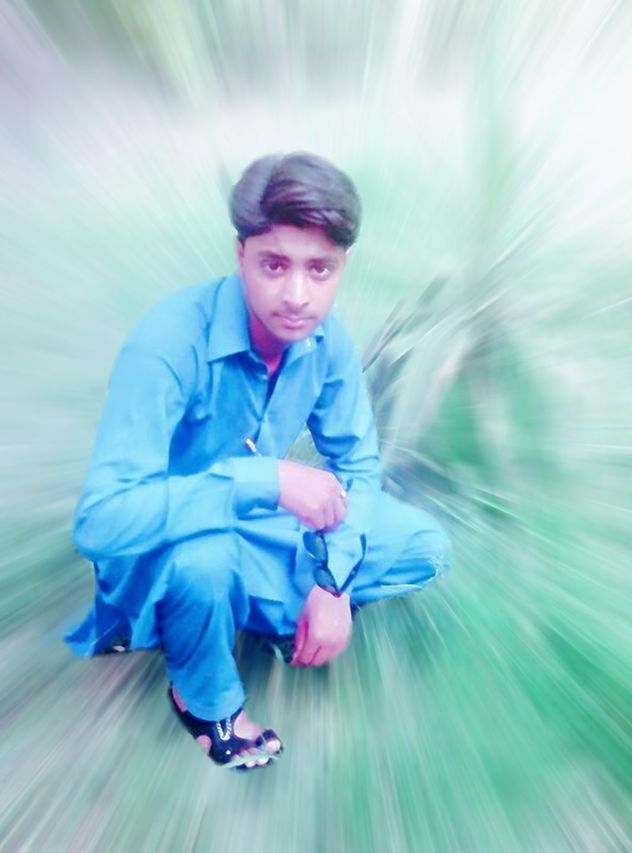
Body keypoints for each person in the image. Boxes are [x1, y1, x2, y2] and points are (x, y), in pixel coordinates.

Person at [66, 152, 452, 770]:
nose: (297, 296)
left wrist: (332, 584)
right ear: (240, 253)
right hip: (165, 537)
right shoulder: (168, 342)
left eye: (319, 269)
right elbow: (101, 522)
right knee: (203, 563)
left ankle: (262, 614)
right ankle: (202, 699)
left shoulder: (325, 340)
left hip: (249, 525)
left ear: (342, 266)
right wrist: (265, 479)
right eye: (274, 265)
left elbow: (357, 467)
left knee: (421, 545)